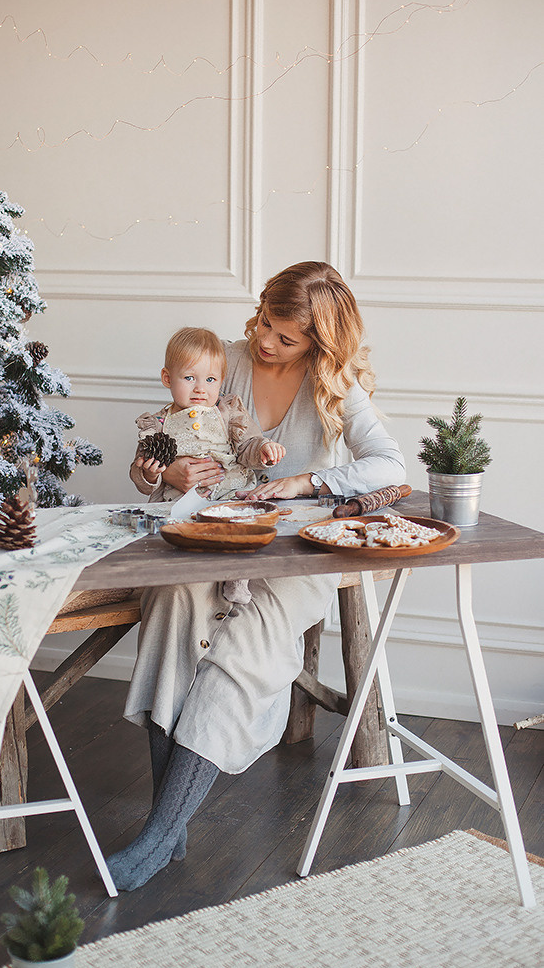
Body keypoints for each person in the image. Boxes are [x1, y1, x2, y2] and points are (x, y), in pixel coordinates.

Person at [107, 261, 406, 891]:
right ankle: (170, 820)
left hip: (294, 554)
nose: (267, 341)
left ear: (321, 343)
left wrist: (309, 480)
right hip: (208, 537)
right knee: (170, 617)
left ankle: (159, 835)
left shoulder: (334, 386)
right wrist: (166, 475)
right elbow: (148, 464)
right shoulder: (226, 359)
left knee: (242, 652)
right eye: (266, 321)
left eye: (287, 336)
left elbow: (388, 465)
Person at [130, 326, 285, 503]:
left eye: (210, 379)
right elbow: (139, 473)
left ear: (221, 380)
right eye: (189, 378)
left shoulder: (229, 412)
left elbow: (247, 445)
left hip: (229, 498)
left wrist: (263, 449)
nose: (200, 389)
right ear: (167, 378)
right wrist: (150, 474)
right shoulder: (157, 424)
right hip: (177, 505)